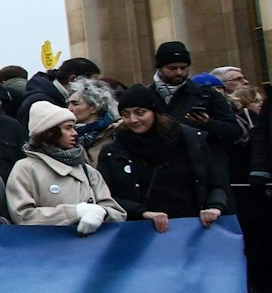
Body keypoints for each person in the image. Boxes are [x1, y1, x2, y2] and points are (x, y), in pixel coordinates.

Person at [97, 86, 229, 233]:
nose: (133, 120)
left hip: (191, 226)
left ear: (155, 112)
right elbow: (105, 195)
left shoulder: (189, 142)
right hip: (140, 230)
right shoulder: (113, 151)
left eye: (140, 112)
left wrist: (214, 207)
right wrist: (142, 212)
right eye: (125, 115)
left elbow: (215, 182)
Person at [7, 103, 126, 232]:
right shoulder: (25, 169)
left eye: (74, 127)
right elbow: (23, 216)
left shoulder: (87, 170)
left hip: (91, 243)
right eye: (68, 128)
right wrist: (76, 212)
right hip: (47, 243)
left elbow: (118, 214)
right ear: (49, 132)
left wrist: (102, 212)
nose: (75, 133)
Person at [151, 41, 245, 148]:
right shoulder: (148, 95)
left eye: (183, 68)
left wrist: (208, 123)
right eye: (172, 68)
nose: (179, 72)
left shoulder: (206, 94)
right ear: (160, 68)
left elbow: (234, 131)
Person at [66, 77, 119, 162]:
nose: (69, 109)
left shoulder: (114, 133)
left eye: (75, 104)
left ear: (94, 107)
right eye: (68, 104)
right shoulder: (66, 135)